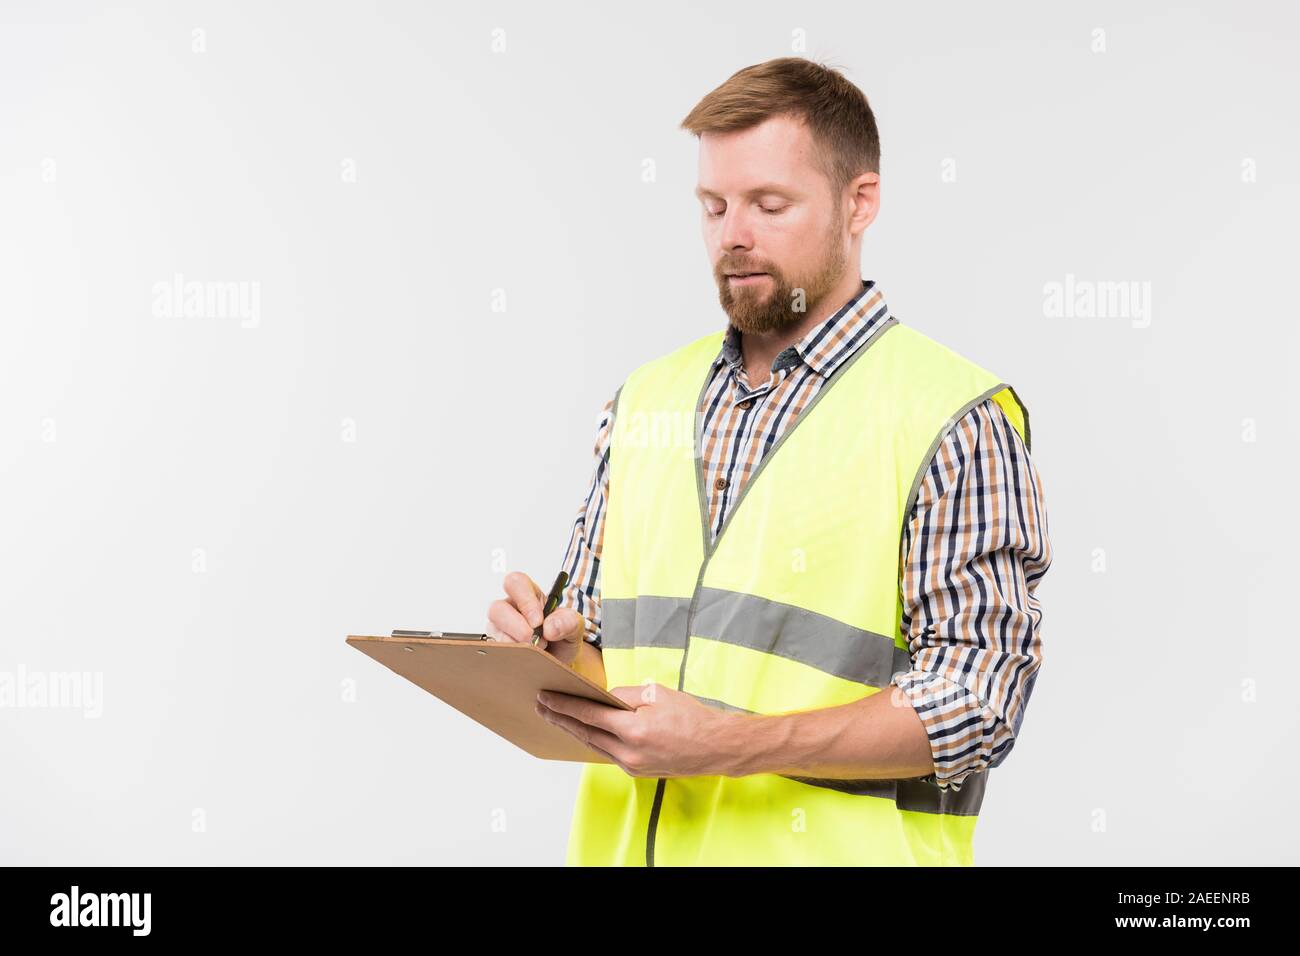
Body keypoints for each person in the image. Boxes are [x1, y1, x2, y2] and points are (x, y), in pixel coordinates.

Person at [484, 56, 1052, 866]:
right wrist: (551, 652)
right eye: (713, 206)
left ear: (861, 203)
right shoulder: (645, 402)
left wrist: (731, 742)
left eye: (769, 204)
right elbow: (611, 654)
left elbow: (978, 702)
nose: (732, 234)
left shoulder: (951, 418)